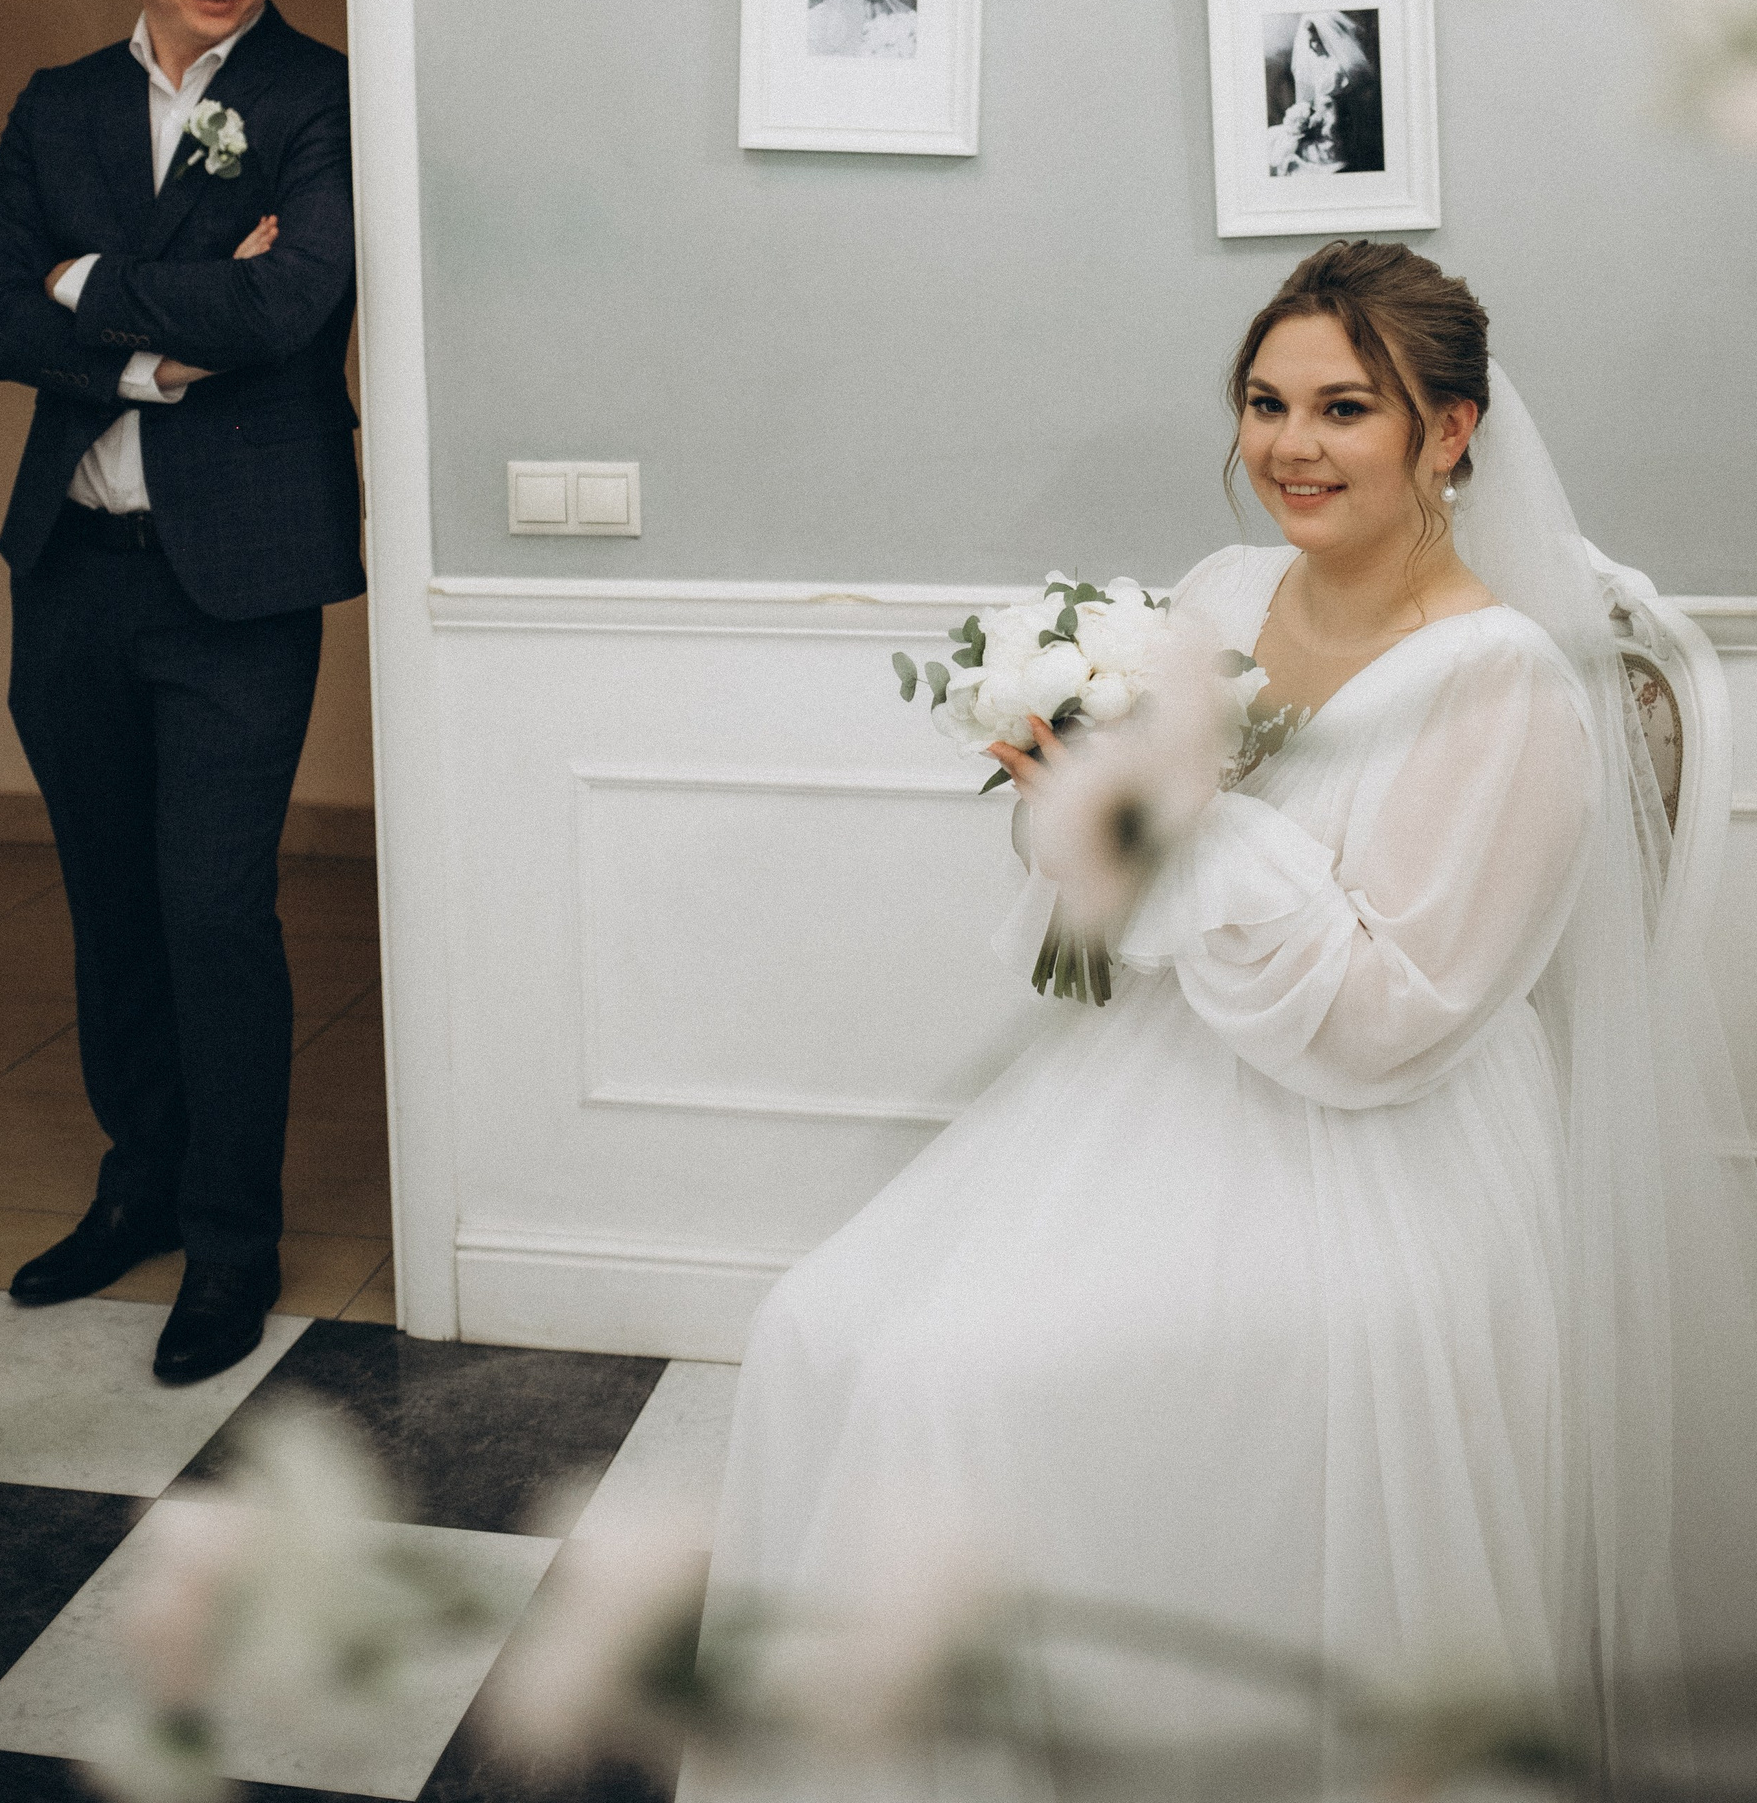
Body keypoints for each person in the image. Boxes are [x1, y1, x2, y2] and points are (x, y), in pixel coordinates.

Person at [695, 243, 1757, 1752]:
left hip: (1381, 1145)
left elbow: (1388, 1026)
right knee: (816, 1327)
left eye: (1345, 408)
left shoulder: (1506, 687)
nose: (1290, 446)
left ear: (1449, 432)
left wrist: (1187, 828)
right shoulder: (1223, 590)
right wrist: (1074, 802)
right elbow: (1114, 895)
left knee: (957, 1384)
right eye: (1266, 403)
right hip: (1149, 1078)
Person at [0, 0, 363, 1386]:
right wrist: (143, 348)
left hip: (241, 582)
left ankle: (231, 1242)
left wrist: (85, 280)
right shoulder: (57, 104)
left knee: (213, 911)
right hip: (71, 570)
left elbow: (288, 303)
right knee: (113, 905)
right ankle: (136, 1185)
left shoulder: (322, 93)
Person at [1266, 9, 1384, 175]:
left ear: (1324, 38)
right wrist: (1306, 116)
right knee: (1274, 138)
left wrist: (1317, 118)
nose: (1311, 46)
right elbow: (1316, 98)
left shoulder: (1337, 67)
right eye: (1309, 41)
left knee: (1287, 144)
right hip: (1323, 114)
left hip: (1336, 117)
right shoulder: (1319, 63)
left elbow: (1336, 102)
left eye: (1315, 41)